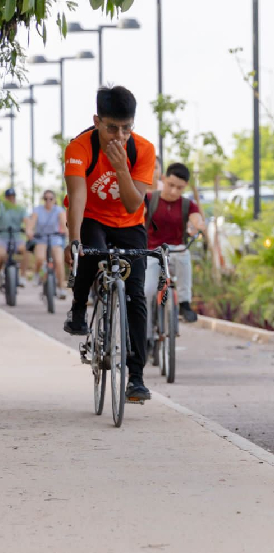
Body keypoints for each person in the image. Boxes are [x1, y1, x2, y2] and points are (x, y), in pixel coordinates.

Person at [63, 85, 156, 402]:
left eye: (126, 128)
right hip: (91, 216)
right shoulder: (79, 147)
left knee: (135, 296)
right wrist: (74, 240)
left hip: (130, 224)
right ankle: (78, 309)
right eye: (111, 127)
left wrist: (120, 168)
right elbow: (77, 196)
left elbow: (133, 205)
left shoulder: (142, 150)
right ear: (97, 121)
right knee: (89, 251)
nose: (119, 136)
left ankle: (137, 378)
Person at [143, 161, 206, 332]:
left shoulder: (187, 205)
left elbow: (196, 219)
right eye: (171, 185)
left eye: (179, 188)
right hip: (152, 251)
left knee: (185, 257)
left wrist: (196, 226)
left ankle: (185, 303)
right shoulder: (150, 199)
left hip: (177, 250)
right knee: (148, 291)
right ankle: (147, 335)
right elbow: (138, 217)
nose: (174, 191)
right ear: (163, 179)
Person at [26, 189, 67, 298]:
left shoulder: (59, 210)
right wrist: (29, 231)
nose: (48, 201)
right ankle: (37, 274)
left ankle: (62, 289)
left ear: (54, 200)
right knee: (40, 258)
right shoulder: (37, 210)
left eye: (50, 199)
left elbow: (64, 225)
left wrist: (68, 235)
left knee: (59, 261)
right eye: (45, 199)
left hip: (55, 237)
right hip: (41, 237)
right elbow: (31, 223)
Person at [0, 188, 28, 286]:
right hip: (2, 237)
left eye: (13, 197)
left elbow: (26, 220)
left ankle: (23, 277)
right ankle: (0, 273)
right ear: (6, 198)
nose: (11, 199)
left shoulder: (20, 208)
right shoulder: (1, 207)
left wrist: (28, 229)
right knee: (1, 254)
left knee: (25, 250)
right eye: (9, 197)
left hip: (16, 237)